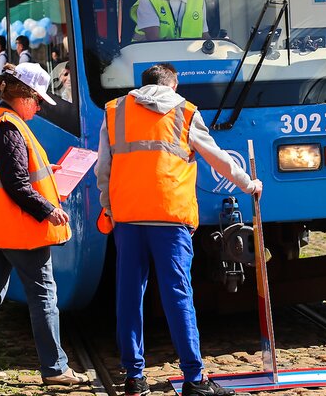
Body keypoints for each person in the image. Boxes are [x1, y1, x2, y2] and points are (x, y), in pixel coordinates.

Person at [95, 63, 262, 396]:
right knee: (178, 295)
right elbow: (216, 157)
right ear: (172, 85)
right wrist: (248, 184)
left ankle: (133, 377)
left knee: (129, 296)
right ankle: (194, 378)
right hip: (170, 218)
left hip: (128, 218)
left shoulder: (115, 111)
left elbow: (104, 167)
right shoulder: (185, 112)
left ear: (141, 85)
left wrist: (110, 208)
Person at [0, 62, 86, 387]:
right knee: (44, 296)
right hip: (19, 229)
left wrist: (47, 169)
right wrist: (47, 209)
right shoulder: (10, 127)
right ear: (25, 96)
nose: (39, 107)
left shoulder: (0, 120)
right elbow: (16, 184)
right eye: (39, 100)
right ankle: (55, 368)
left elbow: (15, 173)